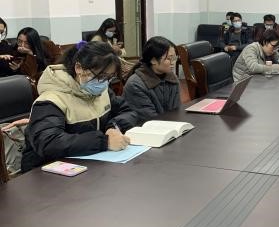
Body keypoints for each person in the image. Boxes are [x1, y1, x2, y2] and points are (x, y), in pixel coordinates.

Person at [21, 41, 138, 172]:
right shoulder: (51, 100)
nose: (104, 83)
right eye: (101, 76)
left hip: (89, 165)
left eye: (109, 78)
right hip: (45, 172)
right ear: (79, 68)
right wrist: (104, 142)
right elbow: (48, 142)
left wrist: (113, 127)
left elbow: (128, 111)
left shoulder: (100, 92)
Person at [123, 36, 180, 123]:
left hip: (168, 125)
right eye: (169, 58)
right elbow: (148, 119)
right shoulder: (135, 84)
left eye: (174, 58)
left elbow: (176, 110)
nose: (173, 62)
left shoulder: (172, 78)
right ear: (153, 60)